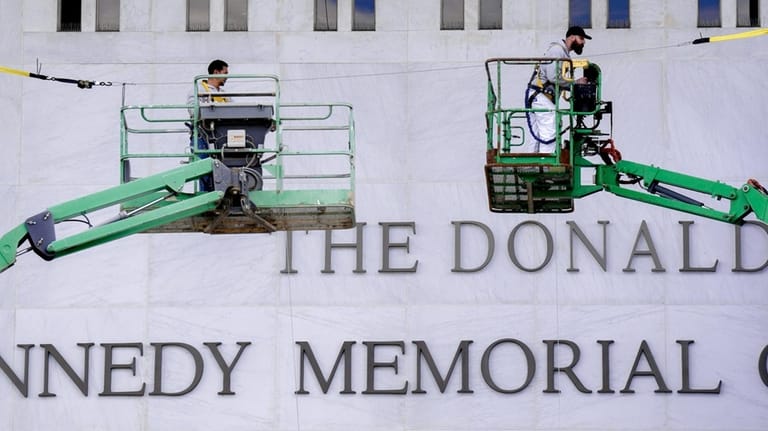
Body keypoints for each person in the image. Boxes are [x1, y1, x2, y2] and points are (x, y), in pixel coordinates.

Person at [525, 26, 591, 153]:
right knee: (550, 127)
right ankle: (546, 162)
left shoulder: (562, 53)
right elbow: (554, 77)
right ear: (572, 37)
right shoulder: (557, 51)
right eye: (581, 38)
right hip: (540, 95)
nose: (583, 42)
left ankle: (532, 163)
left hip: (539, 95)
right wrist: (575, 84)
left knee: (538, 133)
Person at [187, 59, 229, 191]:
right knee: (204, 168)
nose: (227, 76)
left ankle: (219, 194)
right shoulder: (198, 89)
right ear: (216, 72)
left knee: (221, 169)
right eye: (225, 72)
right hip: (202, 135)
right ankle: (206, 197)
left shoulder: (224, 94)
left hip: (221, 137)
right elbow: (193, 110)